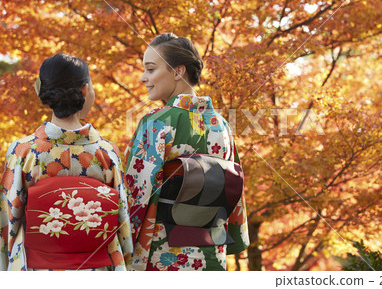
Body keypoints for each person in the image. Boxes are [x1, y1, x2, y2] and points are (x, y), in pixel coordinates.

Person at [125, 33, 249, 271]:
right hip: (213, 247)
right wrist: (236, 235)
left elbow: (136, 192)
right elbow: (235, 185)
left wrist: (122, 243)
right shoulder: (222, 124)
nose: (143, 78)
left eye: (150, 69)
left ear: (177, 71)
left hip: (163, 249)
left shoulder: (157, 122)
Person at [0, 53, 133, 270]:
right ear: (84, 90)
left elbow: (8, 221)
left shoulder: (23, 151)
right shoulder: (107, 152)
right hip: (97, 267)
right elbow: (122, 223)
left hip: (38, 269)